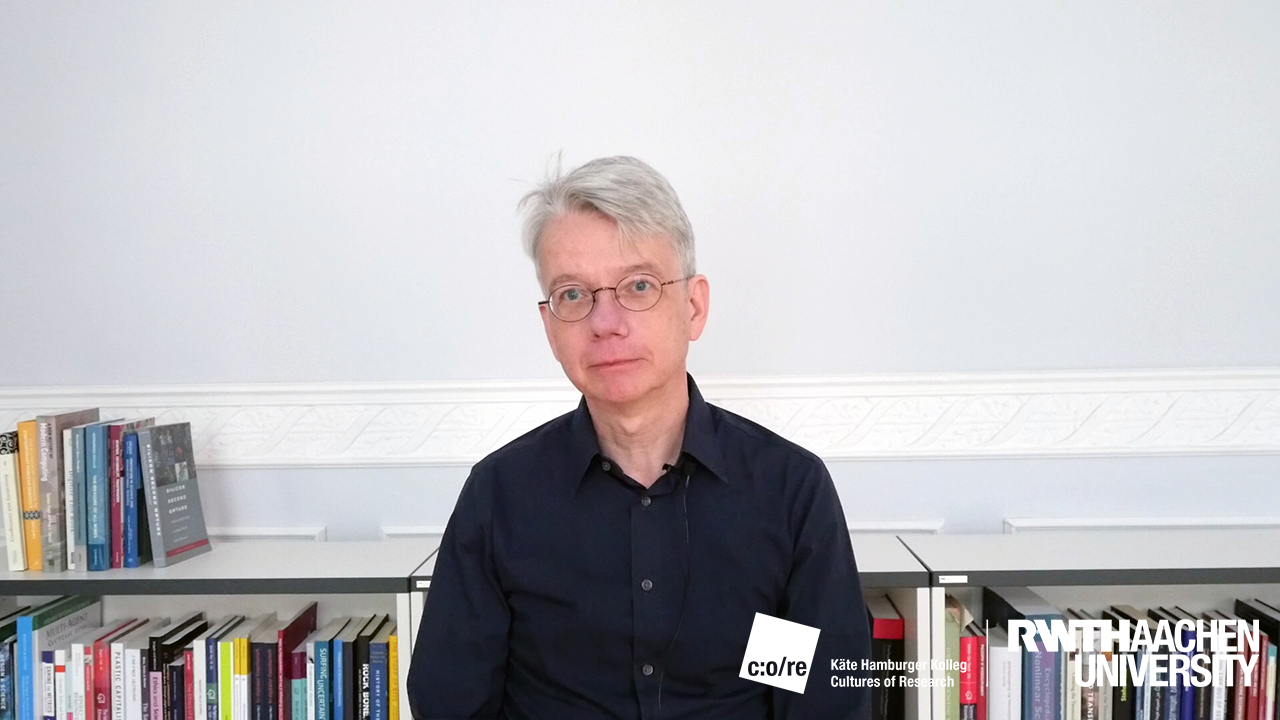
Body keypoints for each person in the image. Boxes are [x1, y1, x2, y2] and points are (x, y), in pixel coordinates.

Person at [406, 156, 872, 719]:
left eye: (639, 285)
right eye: (574, 295)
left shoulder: (786, 492)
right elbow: (452, 702)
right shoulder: (499, 496)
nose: (606, 322)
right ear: (550, 327)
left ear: (694, 307)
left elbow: (816, 699)